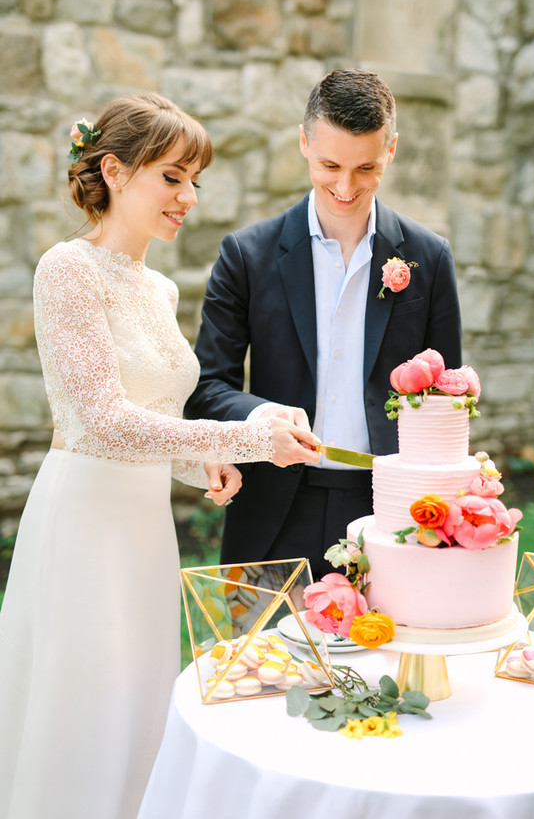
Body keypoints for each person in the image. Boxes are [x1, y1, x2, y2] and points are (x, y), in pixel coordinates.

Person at [0, 93, 319, 819]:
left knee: (138, 699)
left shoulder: (160, 286)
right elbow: (103, 423)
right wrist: (243, 438)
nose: (189, 196)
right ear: (113, 170)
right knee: (83, 703)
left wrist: (197, 463)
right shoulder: (66, 270)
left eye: (194, 179)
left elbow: (156, 417)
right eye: (172, 177)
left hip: (144, 532)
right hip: (83, 524)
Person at [186, 68, 462, 579]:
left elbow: (445, 395)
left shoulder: (431, 257)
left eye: (366, 168)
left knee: (379, 657)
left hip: (390, 511)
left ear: (392, 151)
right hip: (271, 502)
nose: (345, 185)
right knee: (262, 657)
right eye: (330, 164)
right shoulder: (246, 254)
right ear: (304, 143)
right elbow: (207, 386)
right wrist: (264, 415)